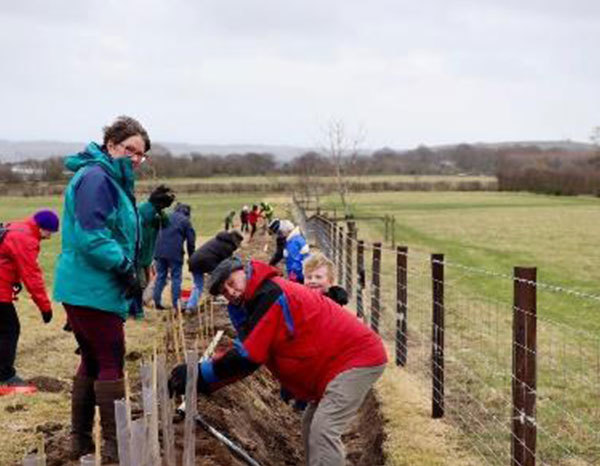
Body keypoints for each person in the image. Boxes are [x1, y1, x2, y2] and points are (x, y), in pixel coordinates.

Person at [168, 257, 387, 466]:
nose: (231, 292)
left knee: (324, 430)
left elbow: (248, 356)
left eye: (232, 283)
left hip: (357, 357)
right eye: (224, 291)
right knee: (311, 424)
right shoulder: (252, 302)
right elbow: (251, 351)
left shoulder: (270, 296)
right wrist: (204, 380)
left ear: (243, 272)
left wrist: (200, 374)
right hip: (332, 363)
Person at [53, 116, 174, 461]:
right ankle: (113, 446)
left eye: (142, 154)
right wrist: (124, 269)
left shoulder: (109, 178)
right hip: (93, 285)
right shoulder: (96, 178)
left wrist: (149, 209)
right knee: (109, 359)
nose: (136, 158)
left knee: (93, 358)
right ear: (110, 145)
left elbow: (119, 222)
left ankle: (81, 441)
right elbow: (93, 236)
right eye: (130, 150)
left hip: (88, 286)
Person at [0, 210, 59, 395]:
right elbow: (32, 276)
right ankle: (5, 376)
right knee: (10, 329)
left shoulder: (18, 227)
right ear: (42, 228)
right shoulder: (26, 240)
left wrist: (14, 282)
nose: (49, 237)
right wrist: (45, 307)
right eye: (49, 232)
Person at [185, 229, 244, 312]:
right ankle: (219, 294)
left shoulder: (219, 240)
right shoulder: (227, 247)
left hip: (194, 261)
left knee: (198, 285)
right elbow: (227, 264)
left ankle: (190, 306)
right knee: (222, 277)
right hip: (205, 262)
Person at [153, 203, 196, 310]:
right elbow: (191, 241)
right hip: (175, 253)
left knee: (160, 276)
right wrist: (192, 258)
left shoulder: (166, 216)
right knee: (176, 277)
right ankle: (176, 304)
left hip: (159, 251)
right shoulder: (185, 221)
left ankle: (156, 302)